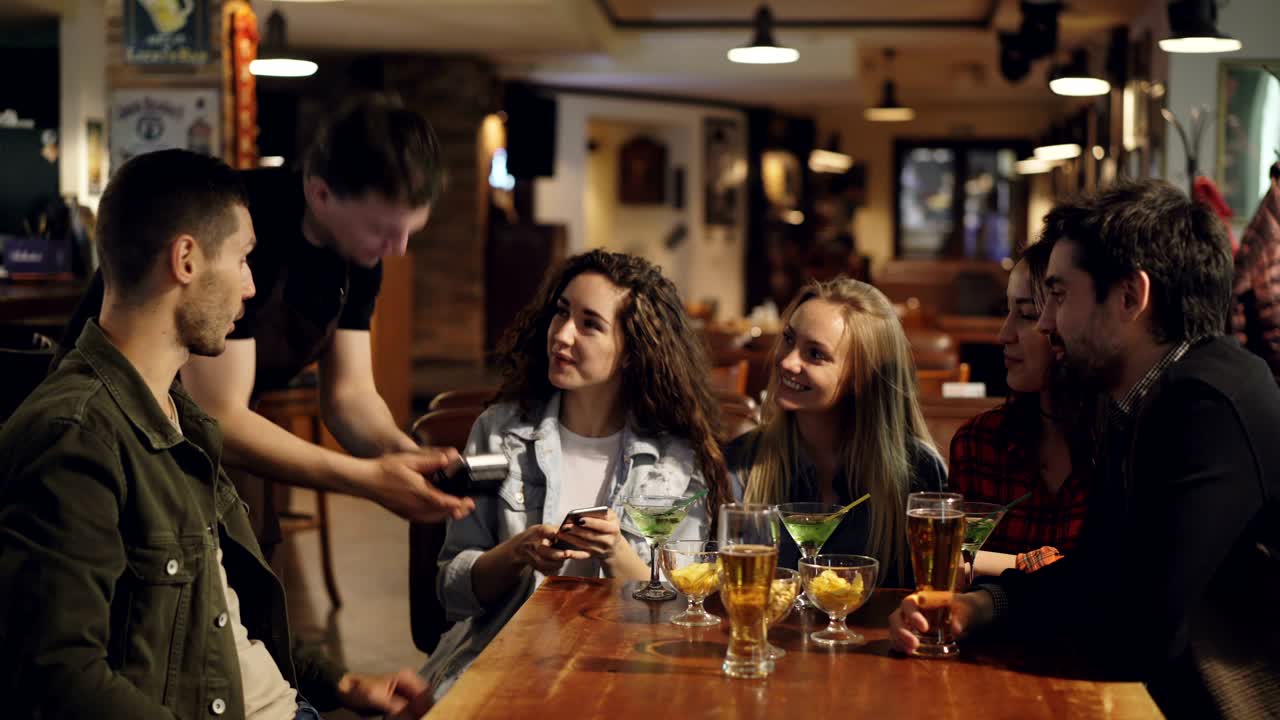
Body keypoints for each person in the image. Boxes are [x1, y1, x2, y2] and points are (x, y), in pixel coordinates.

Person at [0, 150, 435, 719]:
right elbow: (61, 680)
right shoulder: (76, 436)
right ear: (185, 259)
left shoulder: (183, 418)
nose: (252, 286)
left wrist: (341, 682)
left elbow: (217, 608)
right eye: (242, 259)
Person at [890, 179, 1280, 719]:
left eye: (1059, 295)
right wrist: (977, 606)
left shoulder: (1207, 403)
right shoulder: (1138, 402)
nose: (1046, 323)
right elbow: (1093, 570)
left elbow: (1143, 630)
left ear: (1129, 297)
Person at [60, 94, 472, 557]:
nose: (397, 249)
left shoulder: (360, 255)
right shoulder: (242, 226)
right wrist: (367, 480)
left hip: (204, 432)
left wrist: (403, 454)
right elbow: (220, 414)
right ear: (320, 193)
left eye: (408, 232)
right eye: (382, 230)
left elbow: (349, 396)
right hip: (123, 422)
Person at [420, 250, 732, 700]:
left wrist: (616, 552)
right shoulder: (500, 431)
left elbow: (684, 607)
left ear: (632, 352)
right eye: (561, 313)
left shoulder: (678, 458)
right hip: (504, 662)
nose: (562, 335)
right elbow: (452, 591)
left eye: (590, 324)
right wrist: (516, 553)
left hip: (627, 668)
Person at [727, 277, 946, 588]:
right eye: (789, 339)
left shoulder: (918, 472)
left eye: (815, 354)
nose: (787, 361)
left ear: (863, 378)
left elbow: (927, 594)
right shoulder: (740, 463)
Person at [948, 240, 1096, 577]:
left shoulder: (1123, 448)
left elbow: (1119, 577)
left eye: (1027, 314)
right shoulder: (979, 443)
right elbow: (949, 563)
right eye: (1007, 311)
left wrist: (999, 564)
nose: (1003, 334)